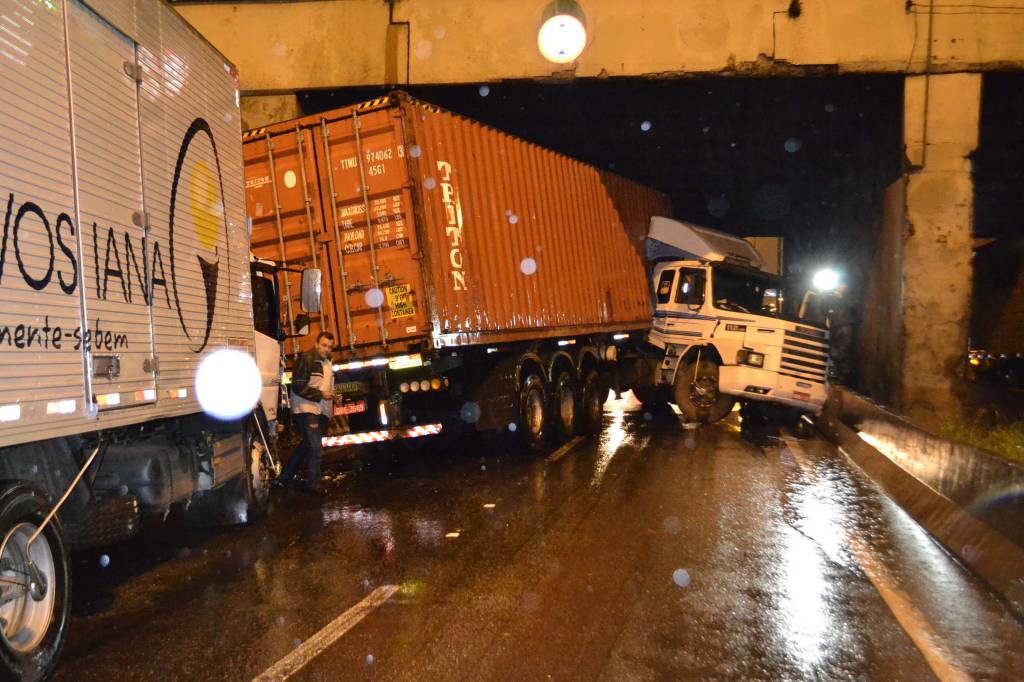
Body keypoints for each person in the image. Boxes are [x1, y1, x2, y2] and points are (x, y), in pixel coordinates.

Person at [275, 331, 338, 494]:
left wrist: (333, 396)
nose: (326, 349)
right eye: (324, 345)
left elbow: (325, 386)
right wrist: (320, 394)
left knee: (307, 445)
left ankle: (284, 478)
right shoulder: (307, 358)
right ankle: (314, 484)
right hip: (305, 408)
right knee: (316, 447)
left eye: (330, 347)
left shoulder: (328, 362)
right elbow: (297, 385)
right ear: (316, 344)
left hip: (321, 409)